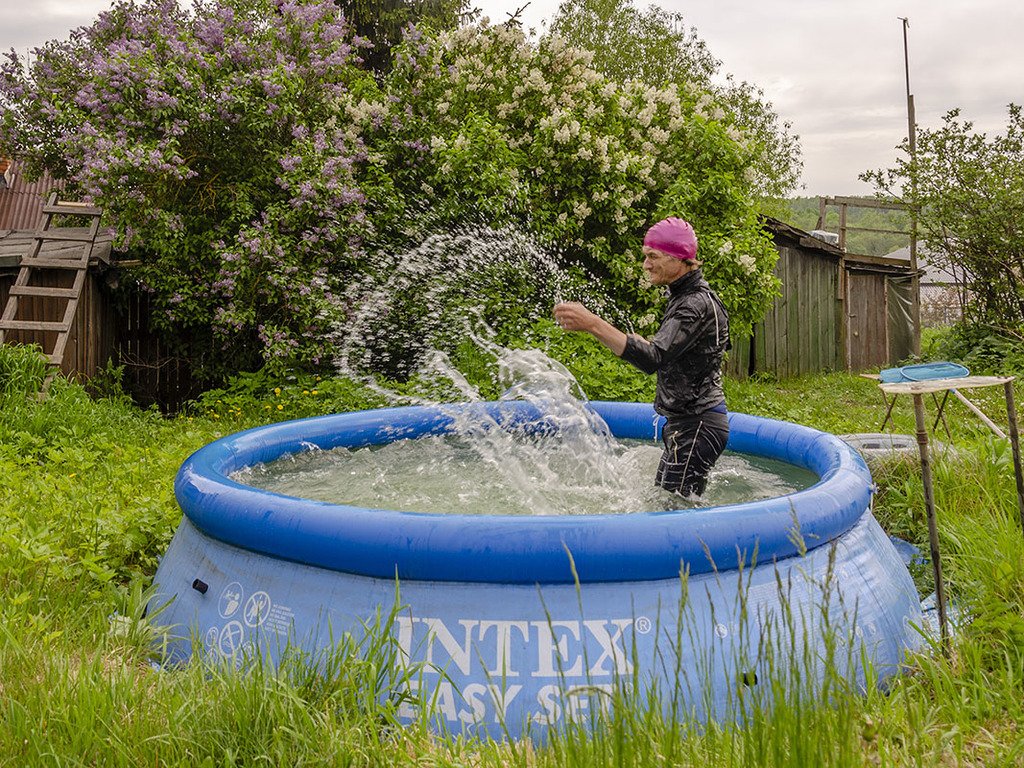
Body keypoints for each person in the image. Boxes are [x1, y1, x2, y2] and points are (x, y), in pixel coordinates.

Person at [553, 217, 730, 498]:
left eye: (653, 256)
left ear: (680, 258)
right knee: (667, 503)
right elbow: (686, 354)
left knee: (674, 512)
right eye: (645, 256)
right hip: (689, 425)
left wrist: (593, 324)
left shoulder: (693, 304)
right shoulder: (687, 297)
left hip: (697, 426)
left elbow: (652, 358)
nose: (646, 264)